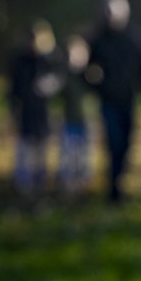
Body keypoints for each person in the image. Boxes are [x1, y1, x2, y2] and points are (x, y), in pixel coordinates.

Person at [86, 0, 141, 203]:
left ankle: (119, 180)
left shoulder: (135, 38)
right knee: (113, 142)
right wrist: (95, 87)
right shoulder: (97, 40)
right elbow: (85, 68)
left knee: (126, 143)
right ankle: (113, 186)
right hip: (108, 100)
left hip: (129, 100)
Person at [8, 20, 62, 199]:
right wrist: (13, 112)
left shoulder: (49, 60)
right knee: (25, 149)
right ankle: (24, 183)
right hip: (25, 112)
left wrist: (50, 85)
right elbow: (14, 90)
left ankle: (41, 180)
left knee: (41, 149)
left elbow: (60, 78)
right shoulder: (20, 61)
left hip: (43, 114)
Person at [57, 35, 91, 196]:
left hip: (86, 121)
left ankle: (82, 181)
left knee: (84, 153)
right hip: (68, 120)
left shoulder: (90, 76)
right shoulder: (64, 76)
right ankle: (68, 181)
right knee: (68, 153)